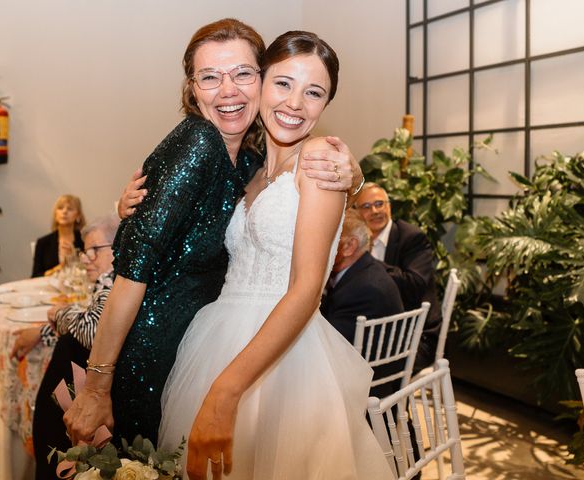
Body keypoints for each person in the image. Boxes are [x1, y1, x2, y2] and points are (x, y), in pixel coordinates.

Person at [64, 18, 363, 448]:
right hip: (146, 351)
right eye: (210, 77)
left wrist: (355, 177)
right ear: (192, 89)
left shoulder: (251, 165)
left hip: (212, 350)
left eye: (242, 73)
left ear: (258, 79)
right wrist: (96, 385)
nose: (228, 90)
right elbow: (134, 268)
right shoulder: (199, 142)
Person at [159, 30, 390, 480]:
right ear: (261, 83)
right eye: (283, 83)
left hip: (284, 359)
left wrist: (226, 390)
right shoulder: (249, 169)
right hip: (218, 339)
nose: (295, 104)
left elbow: (306, 289)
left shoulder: (321, 158)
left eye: (314, 92)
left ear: (326, 105)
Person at [12, 214, 119, 480]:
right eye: (85, 251)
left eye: (95, 249)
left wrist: (58, 313)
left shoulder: (116, 283)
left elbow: (92, 333)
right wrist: (45, 331)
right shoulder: (107, 284)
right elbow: (80, 331)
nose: (86, 258)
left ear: (118, 249)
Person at [354, 182, 441, 372]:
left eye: (379, 204)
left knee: (359, 369)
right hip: (376, 332)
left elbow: (415, 286)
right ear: (357, 213)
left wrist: (368, 261)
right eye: (366, 207)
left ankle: (385, 402)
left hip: (415, 337)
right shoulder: (355, 240)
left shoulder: (411, 238)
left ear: (389, 207)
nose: (375, 211)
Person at [320, 209, 404, 399]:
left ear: (350, 246)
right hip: (368, 370)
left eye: (327, 240)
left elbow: (329, 346)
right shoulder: (365, 271)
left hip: (361, 388)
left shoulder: (363, 289)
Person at [31, 194, 85, 277]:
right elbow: (35, 276)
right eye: (60, 208)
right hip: (48, 288)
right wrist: (61, 266)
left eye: (69, 209)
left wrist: (74, 257)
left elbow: (91, 270)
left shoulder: (85, 240)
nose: (64, 212)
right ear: (55, 214)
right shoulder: (43, 242)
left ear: (78, 216)